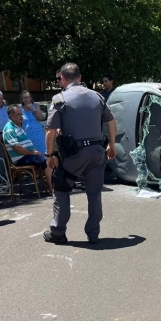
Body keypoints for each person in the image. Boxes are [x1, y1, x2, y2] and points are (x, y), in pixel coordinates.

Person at [43, 63, 117, 244]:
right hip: (97, 152)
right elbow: (111, 121)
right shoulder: (97, 96)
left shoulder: (59, 99)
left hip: (74, 155)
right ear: (80, 77)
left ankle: (58, 232)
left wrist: (50, 154)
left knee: (61, 189)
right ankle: (93, 233)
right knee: (94, 194)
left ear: (63, 78)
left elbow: (50, 131)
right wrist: (112, 145)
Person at [20, 90, 52, 194]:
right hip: (27, 134)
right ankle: (40, 176)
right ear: (22, 99)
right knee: (35, 155)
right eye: (24, 97)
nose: (26, 99)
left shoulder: (35, 105)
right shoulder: (19, 109)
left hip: (38, 134)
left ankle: (49, 180)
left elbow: (41, 117)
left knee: (44, 155)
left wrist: (33, 110)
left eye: (28, 97)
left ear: (31, 98)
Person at [3, 105, 48, 170]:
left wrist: (34, 152)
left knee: (52, 159)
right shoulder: (9, 128)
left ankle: (51, 179)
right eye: (18, 114)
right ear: (11, 116)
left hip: (27, 156)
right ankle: (51, 180)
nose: (21, 117)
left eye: (21, 114)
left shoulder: (17, 126)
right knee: (47, 161)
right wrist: (32, 153)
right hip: (21, 159)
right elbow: (17, 148)